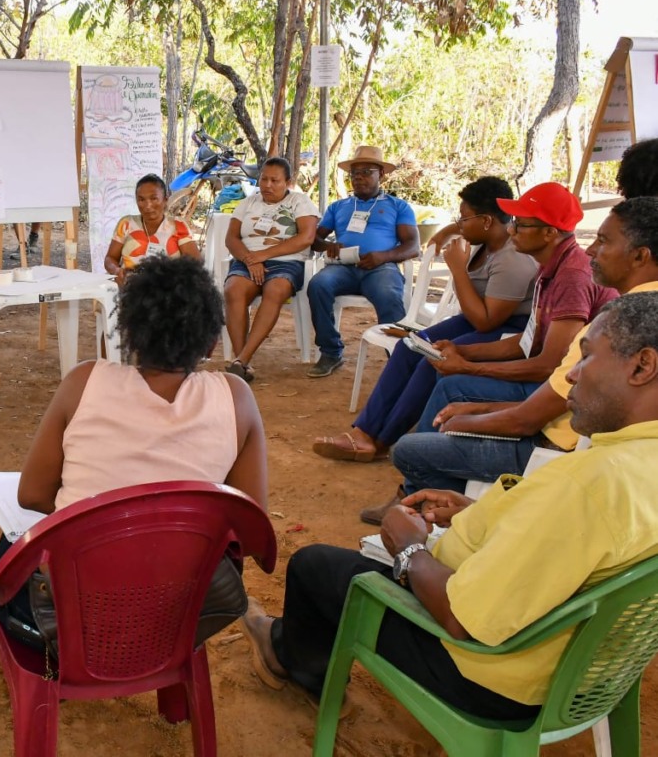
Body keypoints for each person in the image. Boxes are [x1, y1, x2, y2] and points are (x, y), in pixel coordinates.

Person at [241, 290, 658, 719]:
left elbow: (464, 620)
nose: (571, 375)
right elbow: (570, 542)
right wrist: (478, 514)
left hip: (488, 674)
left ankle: (293, 661)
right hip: (589, 674)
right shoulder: (635, 464)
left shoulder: (588, 484)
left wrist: (409, 549)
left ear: (642, 366)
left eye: (586, 357)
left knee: (314, 567)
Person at [5, 256, 267, 646]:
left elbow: (32, 494)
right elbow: (251, 531)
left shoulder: (85, 381)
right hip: (181, 611)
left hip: (73, 616)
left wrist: (109, 525)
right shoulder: (236, 398)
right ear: (212, 341)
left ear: (127, 330)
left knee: (9, 548)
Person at [390, 196, 658, 499]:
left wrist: (466, 420)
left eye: (603, 241)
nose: (590, 250)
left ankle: (431, 512)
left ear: (640, 257)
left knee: (411, 448)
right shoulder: (564, 276)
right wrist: (470, 371)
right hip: (555, 424)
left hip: (550, 447)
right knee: (450, 392)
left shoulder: (614, 318)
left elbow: (535, 400)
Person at [310, 177, 537, 475]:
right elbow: (465, 232)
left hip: (506, 327)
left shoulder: (512, 260)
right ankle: (366, 431)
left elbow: (486, 320)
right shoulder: (489, 234)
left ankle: (381, 440)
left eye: (464, 218)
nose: (460, 224)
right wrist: (445, 232)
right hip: (478, 317)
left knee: (432, 360)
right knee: (409, 346)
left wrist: (457, 269)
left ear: (486, 221)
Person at [305, 146, 421, 377]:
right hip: (343, 268)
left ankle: (399, 362)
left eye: (367, 171)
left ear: (382, 175)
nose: (359, 177)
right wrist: (329, 246)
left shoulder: (397, 206)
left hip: (381, 268)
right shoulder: (339, 206)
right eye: (354, 173)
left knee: (388, 294)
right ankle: (330, 351)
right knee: (318, 285)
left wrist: (384, 256)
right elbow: (314, 239)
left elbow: (412, 246)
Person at [222, 157, 320, 382]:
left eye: (274, 180)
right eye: (263, 179)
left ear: (288, 181)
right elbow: (231, 238)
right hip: (248, 260)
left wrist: (262, 255)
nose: (267, 185)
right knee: (233, 289)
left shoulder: (299, 201)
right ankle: (241, 361)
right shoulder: (248, 202)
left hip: (287, 261)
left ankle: (242, 360)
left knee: (275, 289)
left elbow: (306, 237)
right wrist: (250, 260)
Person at [103, 174, 200, 286]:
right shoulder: (126, 224)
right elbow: (110, 258)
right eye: (141, 199)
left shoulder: (178, 226)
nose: (148, 205)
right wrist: (116, 271)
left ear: (165, 200)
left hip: (168, 293)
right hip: (129, 291)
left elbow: (196, 265)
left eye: (154, 198)